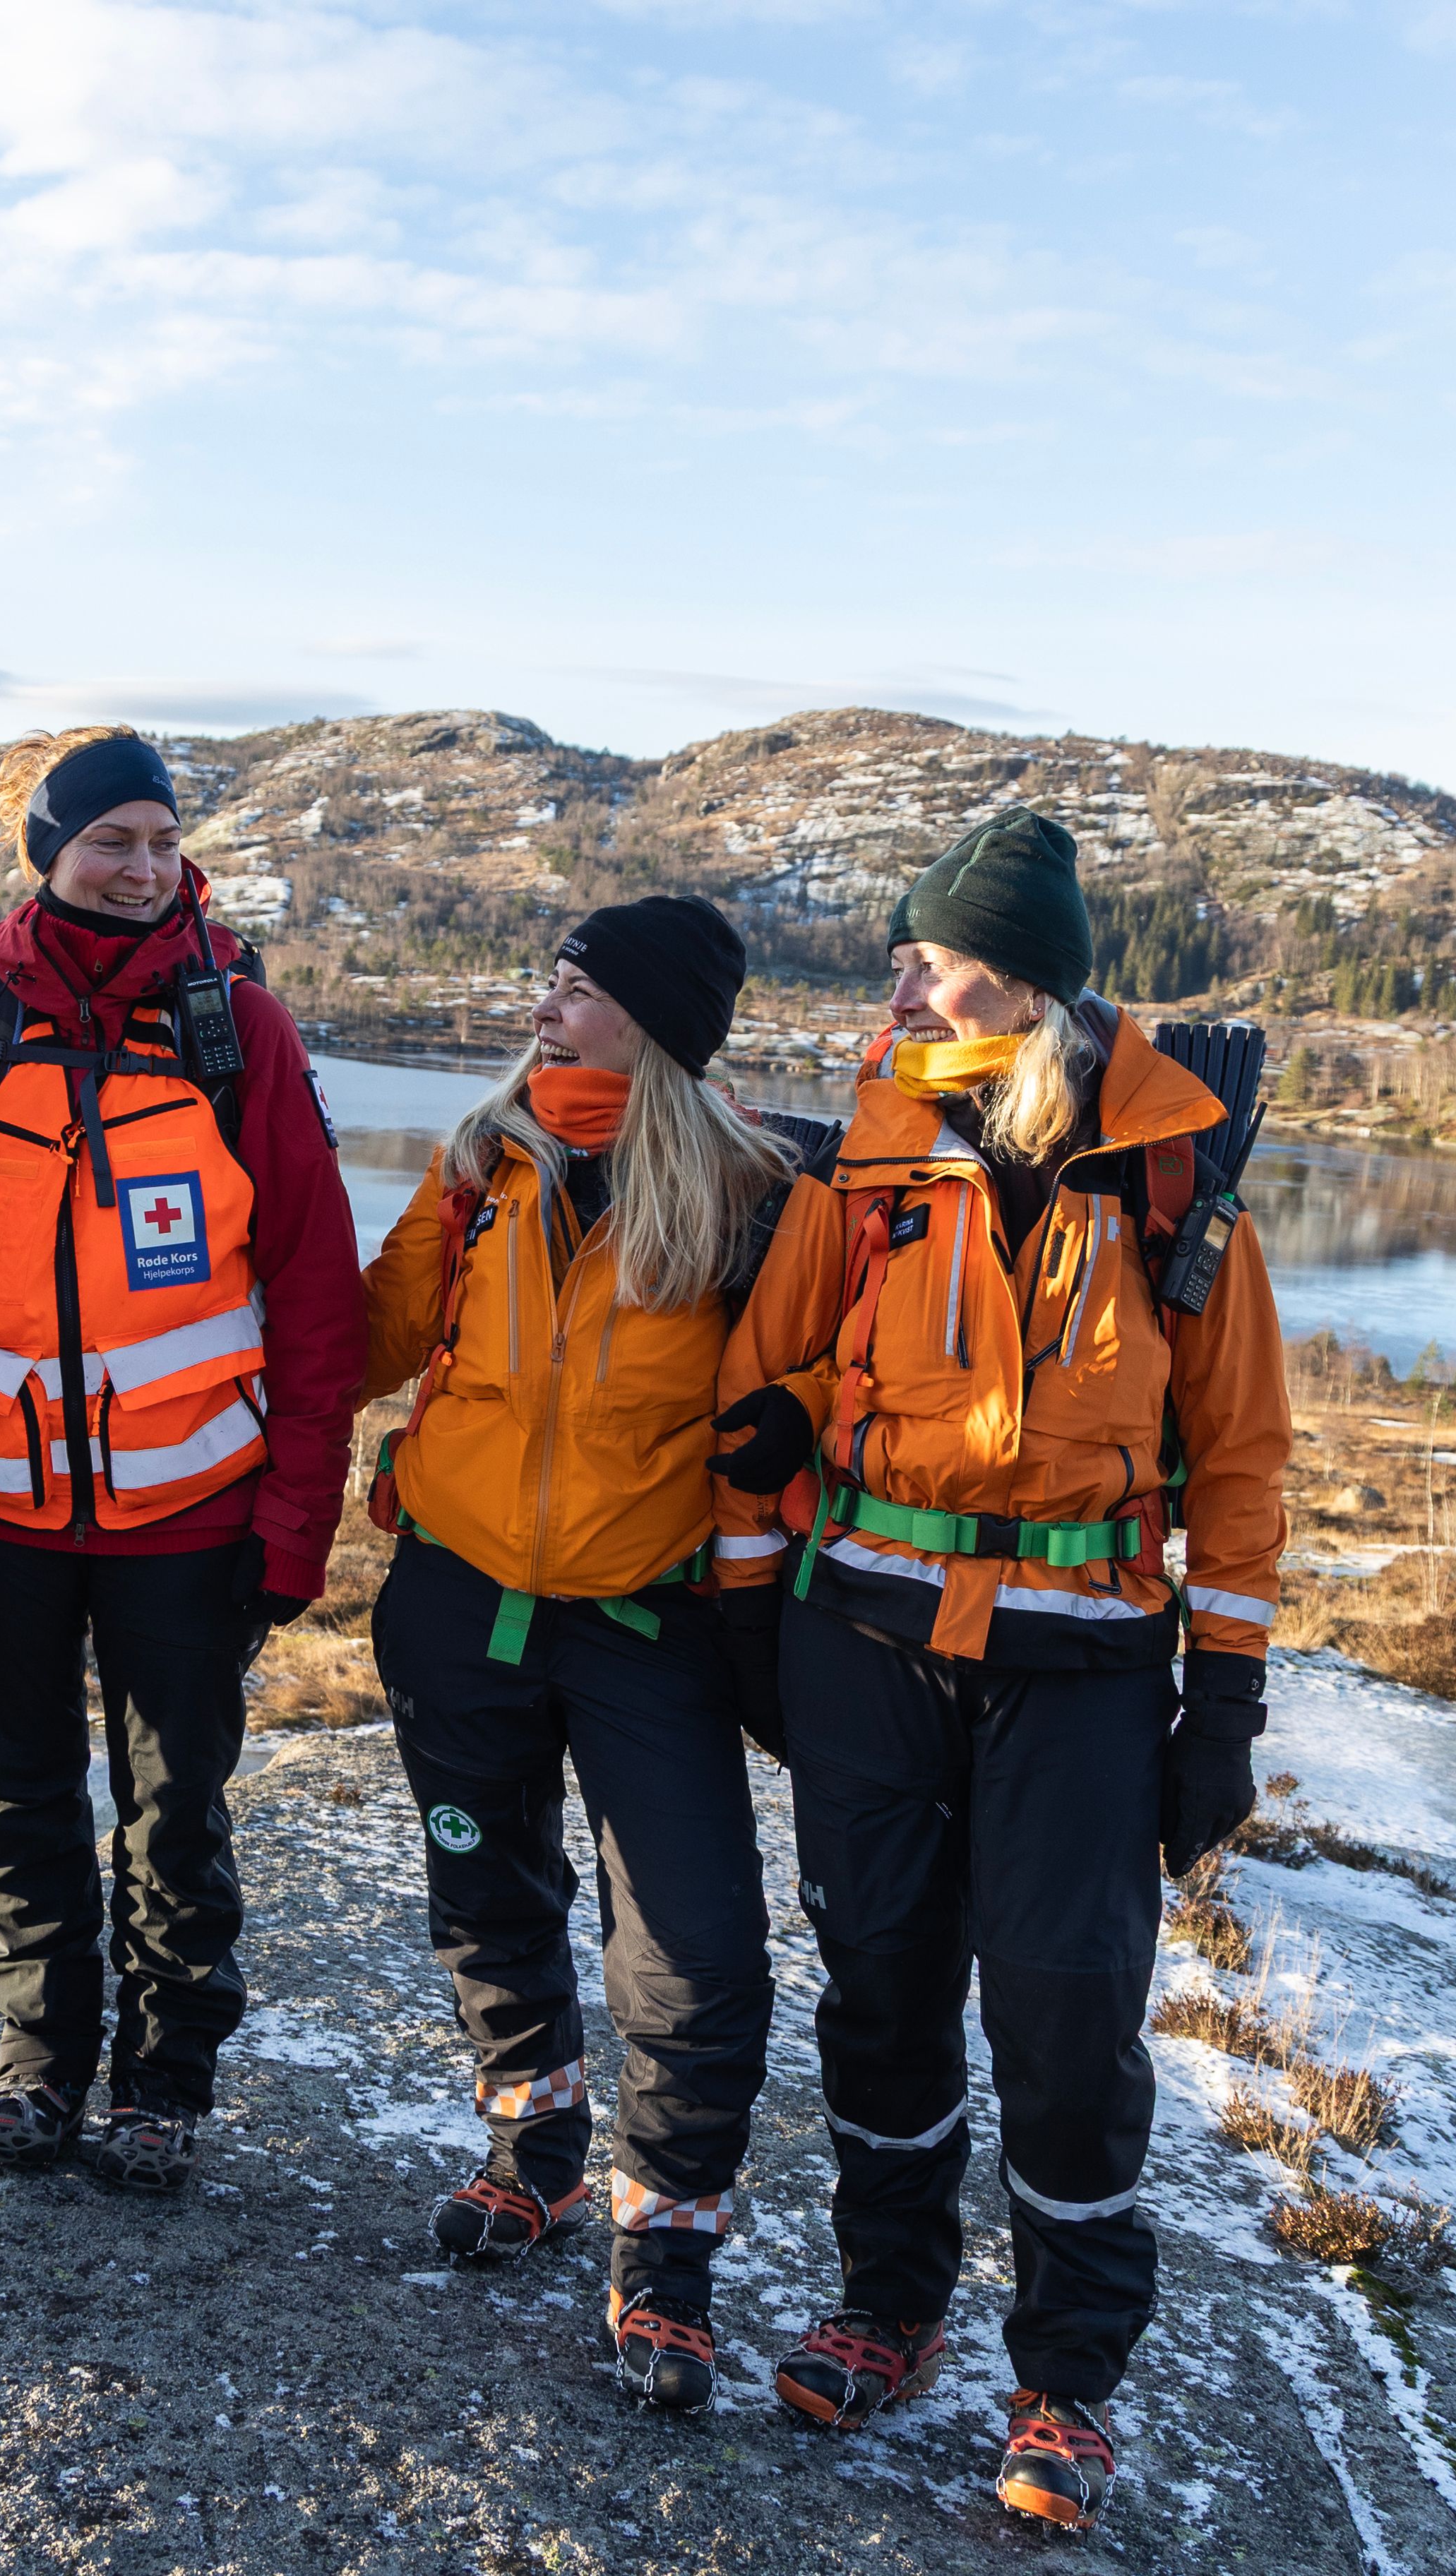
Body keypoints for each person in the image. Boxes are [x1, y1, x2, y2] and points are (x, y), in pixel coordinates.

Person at [707, 809, 1287, 2529]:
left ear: (1019, 979)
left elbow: (1239, 1459)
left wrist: (1228, 1700)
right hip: (870, 1639)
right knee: (880, 1986)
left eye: (932, 952)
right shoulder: (871, 1160)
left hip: (1088, 1668)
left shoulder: (1175, 1177)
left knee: (1066, 2012)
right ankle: (890, 2306)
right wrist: (756, 1611)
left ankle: (1067, 2382)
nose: (903, 975)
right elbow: (781, 1373)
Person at [0, 725, 362, 2193]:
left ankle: (166, 2077)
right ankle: (39, 2063)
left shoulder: (239, 1034)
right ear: (48, 852)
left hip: (191, 1514)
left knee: (177, 1811)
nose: (143, 869)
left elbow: (319, 1296)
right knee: (17, 1795)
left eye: (162, 841)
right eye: (110, 842)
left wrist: (296, 1526)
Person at [357, 895, 838, 2412]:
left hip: (651, 1627)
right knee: (488, 1900)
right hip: (456, 1599)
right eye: (553, 979)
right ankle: (536, 2157)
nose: (549, 1005)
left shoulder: (759, 1196)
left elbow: (831, 1370)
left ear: (660, 1025)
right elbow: (372, 1332)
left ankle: (669, 2260)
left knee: (692, 1955)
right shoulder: (485, 1160)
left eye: (580, 986)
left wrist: (813, 1407)